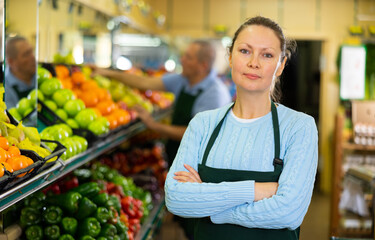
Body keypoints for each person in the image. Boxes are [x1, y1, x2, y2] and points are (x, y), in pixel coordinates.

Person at [164, 16, 318, 240]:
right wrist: (258, 190)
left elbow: (288, 213)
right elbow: (176, 198)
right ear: (230, 56)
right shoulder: (203, 123)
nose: (253, 62)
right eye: (245, 51)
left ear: (280, 65)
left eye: (267, 55)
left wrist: (210, 207)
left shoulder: (299, 127)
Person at [90, 40, 232, 165]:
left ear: (202, 65)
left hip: (200, 164)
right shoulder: (183, 80)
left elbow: (197, 135)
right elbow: (143, 82)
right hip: (180, 156)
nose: (181, 60)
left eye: (188, 57)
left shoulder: (214, 94)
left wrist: (153, 125)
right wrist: (107, 73)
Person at [4, 36, 36, 109]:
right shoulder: (4, 89)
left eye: (32, 51)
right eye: (26, 54)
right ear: (11, 62)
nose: (33, 57)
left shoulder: (40, 78)